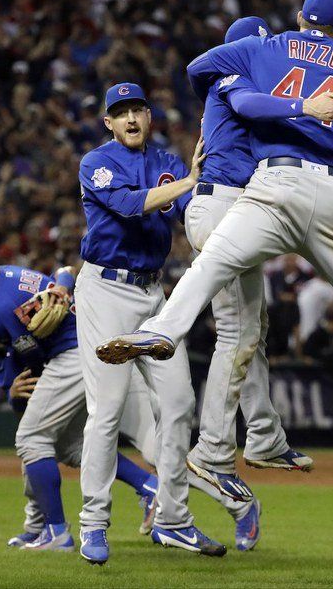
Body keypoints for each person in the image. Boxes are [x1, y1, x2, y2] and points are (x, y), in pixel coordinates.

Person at [97, 0, 333, 498]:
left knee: (233, 304)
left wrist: (292, 99)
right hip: (303, 194)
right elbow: (260, 99)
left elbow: (206, 70)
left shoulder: (266, 50)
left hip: (266, 192)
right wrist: (311, 110)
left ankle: (240, 419)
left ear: (299, 18)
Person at [75, 82, 225, 563]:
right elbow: (128, 206)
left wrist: (223, 213)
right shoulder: (95, 162)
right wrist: (188, 183)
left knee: (180, 403)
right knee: (107, 410)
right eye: (121, 113)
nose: (131, 118)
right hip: (105, 291)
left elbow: (189, 213)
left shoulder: (170, 162)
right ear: (109, 123)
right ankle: (93, 524)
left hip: (152, 293)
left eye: (137, 108)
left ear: (148, 115)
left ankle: (173, 520)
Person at [0, 241, 159, 552]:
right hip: (89, 348)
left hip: (72, 354)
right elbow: (65, 273)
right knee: (72, 447)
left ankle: (55, 531)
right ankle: (150, 487)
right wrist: (63, 282)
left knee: (31, 439)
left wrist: (63, 285)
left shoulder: (1, 306)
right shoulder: (9, 283)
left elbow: (34, 363)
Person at [185, 16, 312, 507]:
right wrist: (306, 108)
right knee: (237, 334)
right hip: (222, 208)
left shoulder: (254, 83)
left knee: (250, 328)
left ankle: (264, 438)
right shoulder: (233, 77)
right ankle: (212, 453)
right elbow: (247, 104)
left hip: (234, 210)